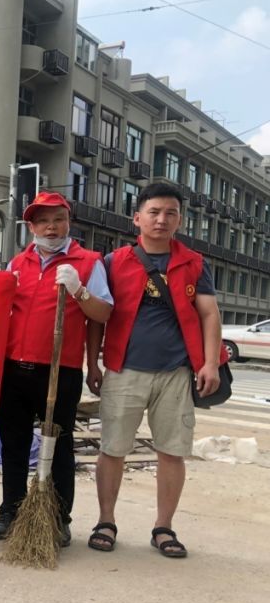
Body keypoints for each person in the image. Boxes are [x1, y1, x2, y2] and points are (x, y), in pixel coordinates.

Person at [86, 182, 221, 558]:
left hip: (177, 372)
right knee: (112, 449)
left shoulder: (194, 263)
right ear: (138, 218)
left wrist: (209, 363)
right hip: (124, 368)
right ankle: (106, 521)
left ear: (180, 219)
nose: (162, 219)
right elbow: (98, 315)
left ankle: (163, 528)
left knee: (171, 452)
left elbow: (209, 313)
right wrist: (92, 361)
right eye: (154, 212)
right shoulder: (113, 262)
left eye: (170, 213)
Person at [0, 191, 113, 547]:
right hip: (14, 369)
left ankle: (58, 518)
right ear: (31, 226)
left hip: (61, 370)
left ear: (68, 221)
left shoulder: (88, 263)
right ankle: (10, 510)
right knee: (13, 445)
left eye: (57, 219)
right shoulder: (16, 263)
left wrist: (79, 290)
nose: (51, 227)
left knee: (58, 446)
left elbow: (103, 314)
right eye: (42, 220)